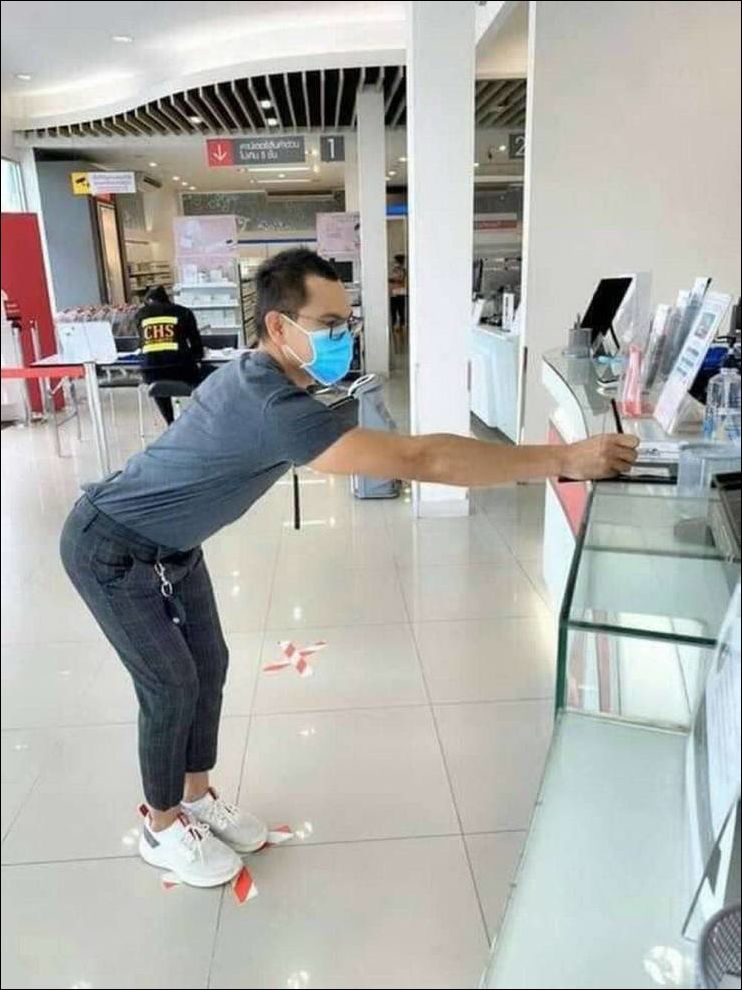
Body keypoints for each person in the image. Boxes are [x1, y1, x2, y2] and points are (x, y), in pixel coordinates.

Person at [60, 248, 638, 889]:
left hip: (173, 549)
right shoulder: (269, 404)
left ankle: (195, 798)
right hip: (111, 547)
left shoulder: (272, 379)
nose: (344, 335)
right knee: (171, 685)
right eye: (330, 324)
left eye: (347, 321)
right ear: (279, 326)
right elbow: (422, 460)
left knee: (209, 666)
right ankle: (162, 826)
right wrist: (562, 459)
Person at [136, 285, 209, 424]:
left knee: (158, 377)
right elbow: (196, 345)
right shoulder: (183, 312)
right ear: (168, 299)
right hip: (180, 371)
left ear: (148, 301)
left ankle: (170, 422)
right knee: (208, 374)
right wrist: (195, 357)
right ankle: (198, 419)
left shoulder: (140, 315)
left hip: (150, 374)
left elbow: (141, 344)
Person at [389, 253, 407, 337]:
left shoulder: (402, 270)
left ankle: (401, 326)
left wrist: (392, 280)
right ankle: (394, 325)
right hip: (393, 293)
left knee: (401, 310)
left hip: (400, 293)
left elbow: (400, 279)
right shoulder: (394, 269)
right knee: (393, 310)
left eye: (395, 261)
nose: (394, 262)